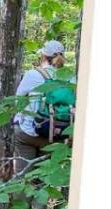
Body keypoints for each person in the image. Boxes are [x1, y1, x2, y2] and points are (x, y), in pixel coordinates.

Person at [13, 40, 73, 172]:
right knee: (41, 177)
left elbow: (18, 101)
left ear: (44, 56)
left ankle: (21, 190)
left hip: (28, 132)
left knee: (22, 178)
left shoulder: (33, 74)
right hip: (56, 135)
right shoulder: (71, 78)